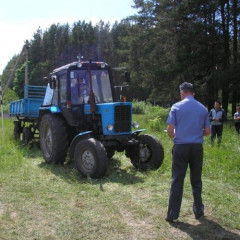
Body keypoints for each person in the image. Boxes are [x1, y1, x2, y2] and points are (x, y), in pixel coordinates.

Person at [166, 82, 210, 222]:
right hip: (197, 148)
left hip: (181, 147)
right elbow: (208, 132)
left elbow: (170, 130)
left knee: (177, 179)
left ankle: (173, 214)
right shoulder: (203, 109)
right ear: (193, 93)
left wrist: (175, 135)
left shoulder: (176, 107)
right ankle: (199, 211)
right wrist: (196, 134)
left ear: (182, 92)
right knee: (196, 180)